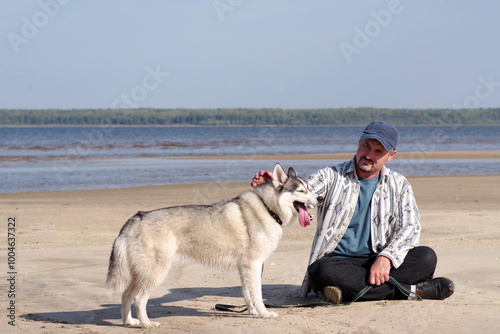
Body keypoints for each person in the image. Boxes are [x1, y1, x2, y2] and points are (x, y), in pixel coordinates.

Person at [251, 121, 454, 303]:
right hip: (338, 264)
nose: (368, 155)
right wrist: (278, 186)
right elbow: (306, 193)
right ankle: (411, 291)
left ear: (391, 156)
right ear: (359, 142)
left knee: (426, 257)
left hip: (379, 260)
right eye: (366, 146)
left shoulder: (399, 185)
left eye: (377, 151)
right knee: (319, 271)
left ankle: (344, 291)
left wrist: (386, 258)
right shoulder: (331, 176)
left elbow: (410, 228)